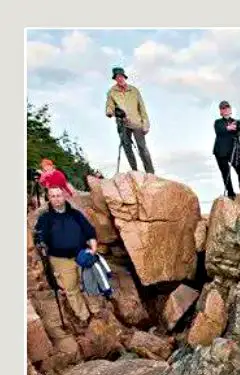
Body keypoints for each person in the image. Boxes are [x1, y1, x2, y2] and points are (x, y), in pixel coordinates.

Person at [33, 186, 98, 323]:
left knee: (90, 283)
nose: (56, 199)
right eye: (53, 196)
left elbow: (89, 231)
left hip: (82, 254)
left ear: (64, 196)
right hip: (60, 259)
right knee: (71, 288)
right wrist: (40, 243)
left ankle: (95, 309)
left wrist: (93, 249)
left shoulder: (75, 214)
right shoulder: (45, 218)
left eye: (59, 195)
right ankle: (84, 316)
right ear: (49, 199)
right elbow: (40, 236)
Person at [106, 66, 154, 174]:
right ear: (115, 79)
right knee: (127, 147)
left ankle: (150, 172)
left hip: (136, 123)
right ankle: (135, 171)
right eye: (117, 77)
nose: (120, 79)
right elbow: (109, 106)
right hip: (122, 123)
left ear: (124, 77)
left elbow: (142, 108)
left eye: (121, 76)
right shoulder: (112, 92)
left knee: (142, 147)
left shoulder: (134, 90)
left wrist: (146, 124)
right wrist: (110, 112)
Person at [213, 100, 240, 199]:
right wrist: (228, 128)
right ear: (221, 111)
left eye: (227, 107)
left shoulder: (236, 121)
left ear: (230, 109)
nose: (226, 109)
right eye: (223, 108)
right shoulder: (218, 122)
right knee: (225, 172)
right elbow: (219, 130)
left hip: (234, 150)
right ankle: (231, 193)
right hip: (221, 151)